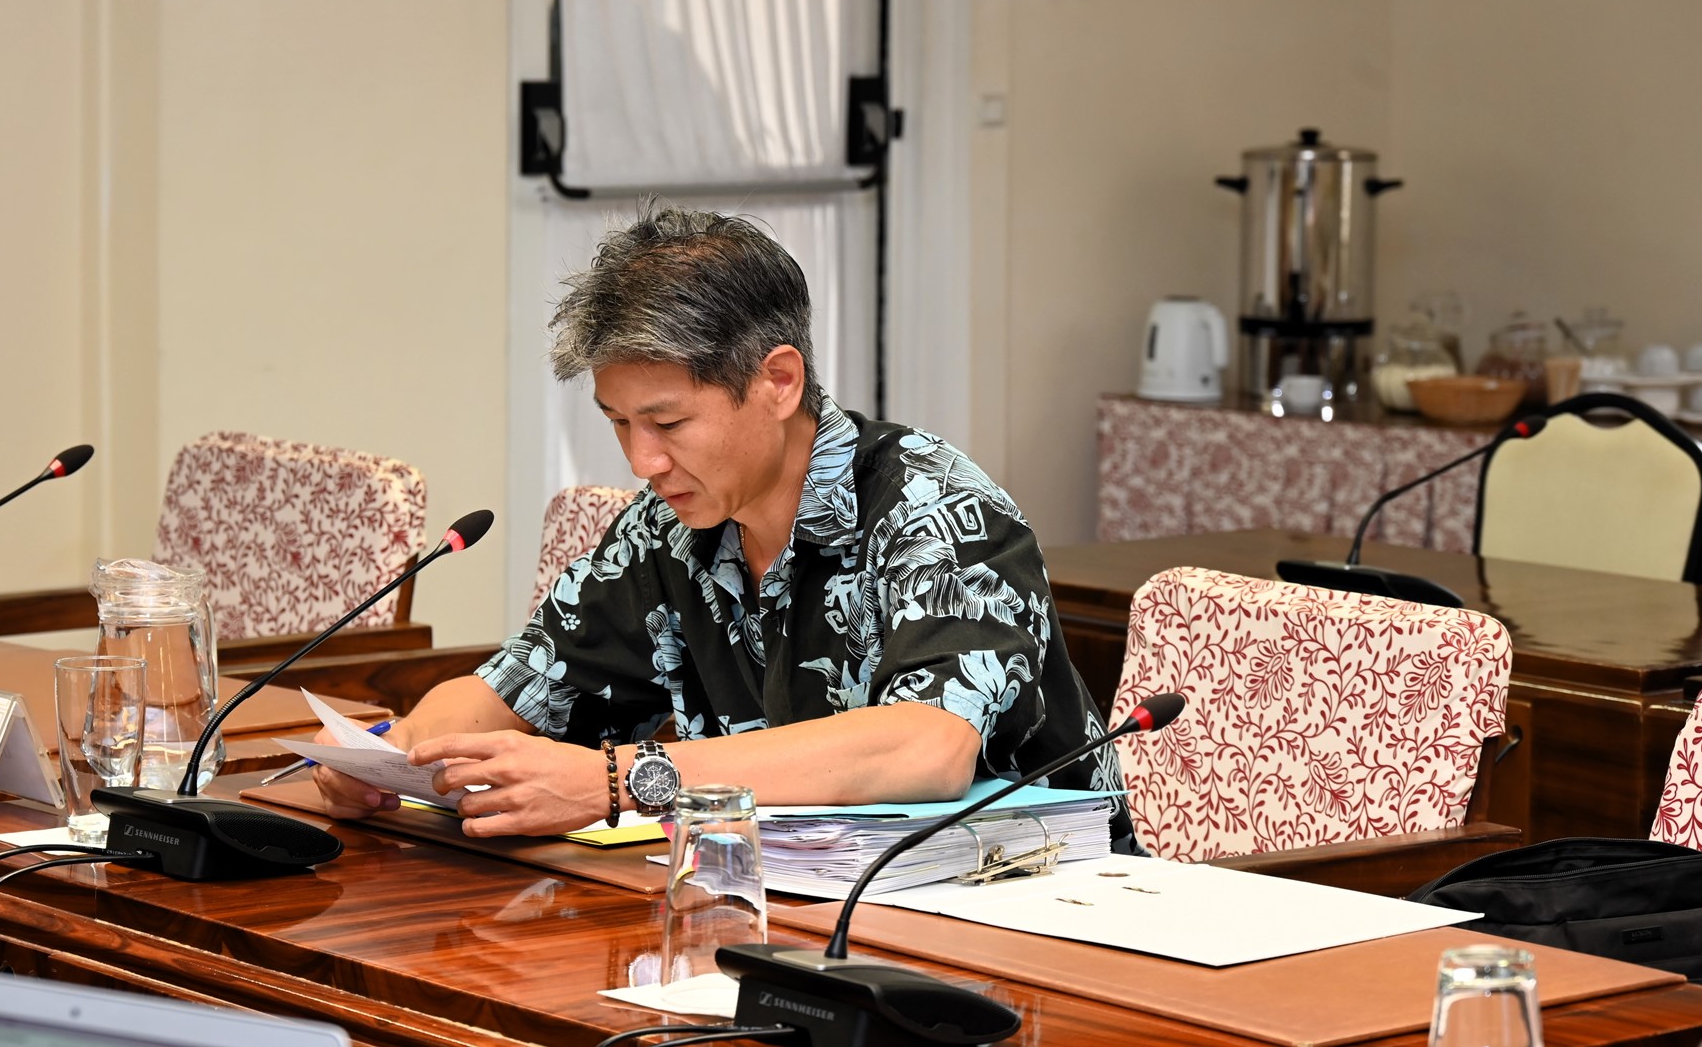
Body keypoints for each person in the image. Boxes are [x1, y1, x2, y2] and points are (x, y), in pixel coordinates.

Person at [315, 206, 1132, 848]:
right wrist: (390, 758)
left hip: (1030, 910)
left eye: (668, 423)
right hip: (791, 905)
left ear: (779, 381)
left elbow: (924, 748)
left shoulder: (935, 508)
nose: (643, 460)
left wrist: (618, 781)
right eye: (618, 423)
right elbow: (518, 688)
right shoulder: (667, 530)